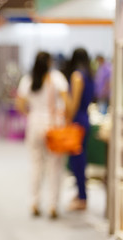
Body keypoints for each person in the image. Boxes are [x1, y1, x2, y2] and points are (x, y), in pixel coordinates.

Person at [16, 52, 68, 219]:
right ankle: (53, 204)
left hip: (34, 124)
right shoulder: (57, 78)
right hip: (53, 125)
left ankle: (34, 202)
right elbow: (68, 103)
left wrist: (31, 114)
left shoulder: (28, 80)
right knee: (55, 166)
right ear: (49, 62)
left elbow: (20, 104)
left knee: (36, 165)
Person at [65, 48, 94, 211]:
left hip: (77, 120)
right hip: (85, 118)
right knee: (80, 157)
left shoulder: (77, 76)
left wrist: (68, 119)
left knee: (78, 160)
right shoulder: (89, 75)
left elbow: (74, 103)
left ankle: (82, 197)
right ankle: (81, 194)